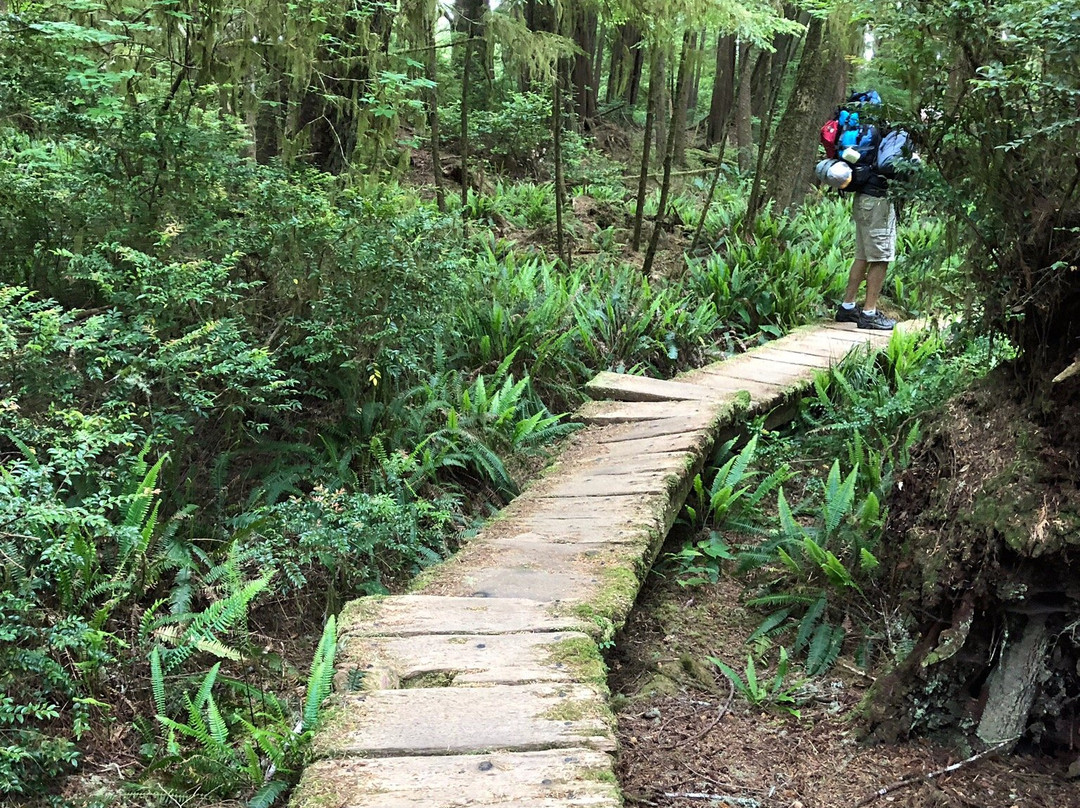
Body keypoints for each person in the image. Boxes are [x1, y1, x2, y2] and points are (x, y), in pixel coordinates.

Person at [832, 107, 900, 331]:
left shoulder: (868, 135)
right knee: (880, 258)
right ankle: (869, 313)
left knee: (862, 255)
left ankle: (847, 307)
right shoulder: (890, 136)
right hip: (877, 202)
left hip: (862, 199)